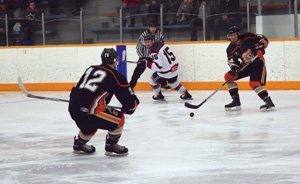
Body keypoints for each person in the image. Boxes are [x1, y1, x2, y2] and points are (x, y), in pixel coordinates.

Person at [69, 48, 139, 156]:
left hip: (73, 108)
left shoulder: (91, 68)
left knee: (89, 128)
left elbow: (78, 89)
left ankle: (79, 144)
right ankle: (111, 145)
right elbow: (129, 102)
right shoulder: (115, 75)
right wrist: (131, 106)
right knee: (119, 119)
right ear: (115, 61)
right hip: (91, 111)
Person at [224, 26, 275, 111]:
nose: (232, 37)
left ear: (238, 34)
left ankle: (268, 101)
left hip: (258, 64)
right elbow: (232, 61)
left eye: (234, 34)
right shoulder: (230, 49)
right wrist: (234, 68)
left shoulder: (248, 37)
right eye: (230, 35)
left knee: (254, 83)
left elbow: (263, 39)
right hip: (246, 66)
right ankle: (235, 100)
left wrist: (261, 47)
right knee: (228, 76)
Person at [141, 34, 192, 100]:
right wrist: (149, 60)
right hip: (174, 69)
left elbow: (158, 66)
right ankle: (186, 94)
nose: (147, 43)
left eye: (149, 41)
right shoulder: (161, 44)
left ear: (153, 41)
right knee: (173, 83)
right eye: (146, 42)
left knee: (152, 80)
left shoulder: (153, 50)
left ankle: (158, 95)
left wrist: (147, 64)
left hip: (166, 73)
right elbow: (162, 57)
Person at [130, 21, 170, 91]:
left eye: (154, 27)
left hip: (155, 56)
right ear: (149, 28)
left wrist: (160, 56)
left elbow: (161, 46)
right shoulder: (144, 35)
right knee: (137, 72)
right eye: (151, 27)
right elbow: (138, 47)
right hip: (145, 56)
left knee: (161, 68)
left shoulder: (159, 34)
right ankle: (131, 86)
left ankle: (163, 84)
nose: (153, 29)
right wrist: (142, 57)